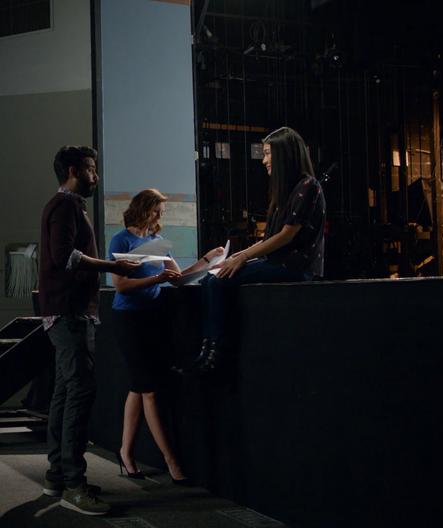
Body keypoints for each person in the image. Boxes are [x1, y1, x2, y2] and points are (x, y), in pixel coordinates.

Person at [38, 145, 139, 516]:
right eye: (91, 169)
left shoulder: (68, 206)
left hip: (69, 312)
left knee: (66, 393)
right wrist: (114, 266)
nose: (96, 176)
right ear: (71, 170)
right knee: (78, 392)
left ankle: (57, 476)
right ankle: (74, 485)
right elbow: (64, 258)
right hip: (69, 313)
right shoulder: (64, 206)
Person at [109, 189, 223, 485]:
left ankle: (126, 454)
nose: (162, 216)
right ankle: (172, 462)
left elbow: (181, 277)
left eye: (162, 211)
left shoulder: (158, 243)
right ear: (144, 209)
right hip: (129, 320)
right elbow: (120, 285)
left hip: (154, 319)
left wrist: (209, 260)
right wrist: (155, 279)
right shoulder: (122, 239)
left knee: (139, 387)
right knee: (150, 391)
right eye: (158, 210)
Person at [195, 126, 326, 371]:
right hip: (276, 262)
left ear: (284, 155)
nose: (263, 160)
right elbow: (271, 238)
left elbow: (287, 235)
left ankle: (215, 352)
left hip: (294, 267)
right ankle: (208, 346)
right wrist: (235, 257)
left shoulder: (308, 186)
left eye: (268, 154)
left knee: (216, 282)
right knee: (210, 279)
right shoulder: (286, 191)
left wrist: (244, 256)